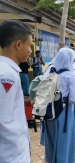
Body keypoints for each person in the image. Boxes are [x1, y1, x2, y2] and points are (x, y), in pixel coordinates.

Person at [0, 20, 32, 163]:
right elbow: (4, 122)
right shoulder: (7, 75)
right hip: (11, 155)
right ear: (18, 44)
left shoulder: (8, 71)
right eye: (30, 46)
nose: (31, 51)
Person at [43, 48, 75, 163]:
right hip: (64, 113)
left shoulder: (49, 72)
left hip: (49, 112)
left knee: (51, 140)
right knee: (64, 141)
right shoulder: (70, 75)